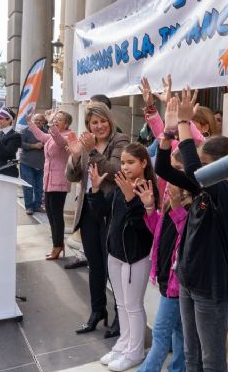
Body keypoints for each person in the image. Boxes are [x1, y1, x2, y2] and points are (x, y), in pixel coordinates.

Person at [154, 91, 228, 372]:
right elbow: (163, 168)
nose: (198, 170)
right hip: (188, 281)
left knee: (211, 360)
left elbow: (193, 169)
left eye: (206, 165)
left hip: (211, 289)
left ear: (221, 166)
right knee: (191, 354)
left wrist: (184, 122)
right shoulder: (201, 187)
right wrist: (168, 133)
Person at [88, 143, 157, 372]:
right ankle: (124, 343)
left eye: (131, 162)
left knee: (133, 305)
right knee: (120, 303)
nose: (125, 167)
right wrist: (96, 191)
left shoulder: (147, 189)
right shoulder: (120, 184)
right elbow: (103, 213)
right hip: (115, 252)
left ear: (144, 162)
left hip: (135, 255)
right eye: (124, 162)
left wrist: (132, 199)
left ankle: (135, 351)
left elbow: (145, 229)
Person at [66, 103, 129, 337]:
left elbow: (115, 170)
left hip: (111, 211)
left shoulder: (120, 140)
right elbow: (72, 176)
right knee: (95, 266)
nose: (99, 126)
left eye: (103, 121)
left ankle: (120, 317)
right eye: (94, 122)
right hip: (89, 212)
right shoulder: (85, 143)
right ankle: (97, 311)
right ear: (88, 125)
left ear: (110, 121)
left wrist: (92, 151)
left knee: (113, 268)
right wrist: (74, 154)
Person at [135, 153, 190, 372]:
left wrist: (176, 204)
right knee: (178, 331)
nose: (171, 175)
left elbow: (186, 233)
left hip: (178, 283)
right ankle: (179, 368)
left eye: (178, 169)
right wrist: (150, 207)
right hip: (167, 276)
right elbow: (159, 232)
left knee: (160, 333)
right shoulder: (169, 200)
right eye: (171, 168)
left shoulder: (193, 201)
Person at [28, 110, 73, 259]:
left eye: (59, 119)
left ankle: (58, 245)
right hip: (48, 181)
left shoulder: (68, 136)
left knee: (56, 215)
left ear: (66, 123)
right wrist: (30, 122)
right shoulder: (52, 136)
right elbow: (41, 136)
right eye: (55, 119)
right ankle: (57, 243)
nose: (56, 121)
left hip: (59, 181)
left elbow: (60, 141)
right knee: (50, 214)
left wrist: (49, 122)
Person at [20, 113, 46, 215]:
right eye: (36, 120)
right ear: (32, 120)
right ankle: (29, 206)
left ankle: (38, 205)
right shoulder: (25, 131)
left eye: (40, 120)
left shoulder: (46, 132)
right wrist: (33, 146)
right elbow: (20, 143)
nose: (38, 122)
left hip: (41, 164)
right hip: (27, 163)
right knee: (28, 186)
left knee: (40, 186)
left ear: (44, 122)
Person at [0, 107, 21, 177]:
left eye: (1, 118)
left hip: (6, 172)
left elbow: (7, 153)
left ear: (9, 120)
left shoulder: (15, 135)